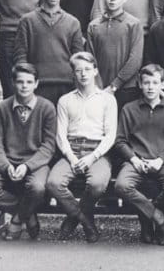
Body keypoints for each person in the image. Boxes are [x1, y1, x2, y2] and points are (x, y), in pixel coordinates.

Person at [0, 63, 56, 241]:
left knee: (37, 188)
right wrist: (6, 167)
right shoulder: (1, 108)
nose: (24, 86)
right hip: (8, 161)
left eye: (29, 82)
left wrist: (27, 166)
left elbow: (48, 146)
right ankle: (28, 214)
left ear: (36, 83)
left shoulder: (47, 108)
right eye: (20, 82)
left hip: (36, 163)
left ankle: (17, 219)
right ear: (13, 83)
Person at [47, 52, 117, 243]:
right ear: (73, 74)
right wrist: (71, 158)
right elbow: (60, 135)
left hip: (97, 151)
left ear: (95, 71)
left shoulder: (107, 99)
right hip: (72, 150)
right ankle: (86, 221)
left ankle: (72, 219)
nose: (83, 74)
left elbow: (110, 135)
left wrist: (92, 157)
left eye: (87, 69)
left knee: (97, 184)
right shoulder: (65, 100)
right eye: (78, 70)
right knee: (53, 183)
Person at [114, 64, 164, 246]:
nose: (150, 87)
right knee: (121, 185)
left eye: (155, 82)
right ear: (140, 84)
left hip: (162, 161)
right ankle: (158, 218)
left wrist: (161, 160)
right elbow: (120, 141)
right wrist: (134, 159)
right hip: (136, 160)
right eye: (146, 83)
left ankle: (146, 218)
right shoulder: (129, 109)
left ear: (163, 85)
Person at [13, 0, 84, 104]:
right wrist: (27, 81)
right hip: (37, 86)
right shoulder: (27, 21)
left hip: (66, 86)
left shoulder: (73, 22)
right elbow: (20, 56)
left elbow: (78, 58)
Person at [86, 0, 144, 110]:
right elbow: (90, 59)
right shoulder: (94, 25)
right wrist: (98, 85)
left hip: (126, 89)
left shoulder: (133, 24)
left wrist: (114, 85)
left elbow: (135, 60)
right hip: (99, 89)